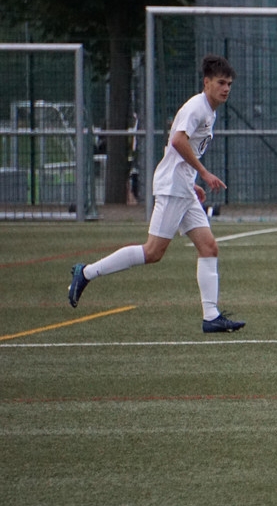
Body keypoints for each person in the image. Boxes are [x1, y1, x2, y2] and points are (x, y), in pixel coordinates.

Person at [67, 54, 245, 333]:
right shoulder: (197, 107)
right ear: (206, 83)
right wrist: (204, 172)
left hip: (182, 187)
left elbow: (178, 147)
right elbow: (177, 141)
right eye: (221, 83)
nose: (226, 88)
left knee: (209, 247)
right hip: (173, 188)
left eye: (229, 84)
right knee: (153, 252)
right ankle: (87, 272)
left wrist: (192, 181)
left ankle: (211, 317)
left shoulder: (209, 111)